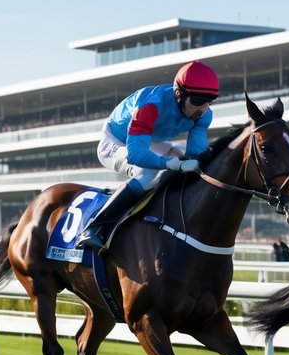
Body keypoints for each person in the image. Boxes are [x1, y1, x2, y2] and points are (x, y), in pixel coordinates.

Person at [76, 60, 218, 251]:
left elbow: (195, 156)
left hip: (151, 139)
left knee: (187, 165)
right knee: (147, 173)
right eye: (197, 102)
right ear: (178, 94)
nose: (203, 109)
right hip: (117, 140)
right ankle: (95, 227)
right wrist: (171, 164)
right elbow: (135, 155)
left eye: (209, 101)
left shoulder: (204, 115)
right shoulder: (151, 105)